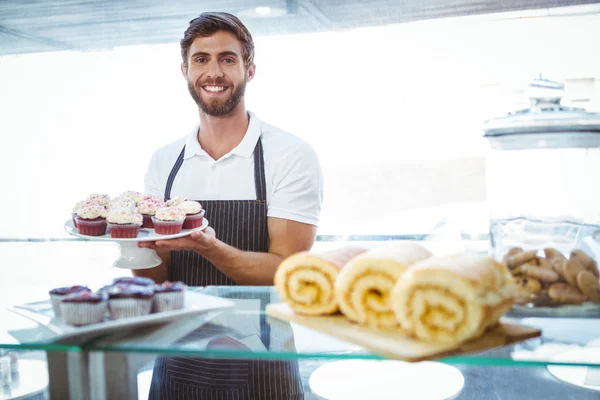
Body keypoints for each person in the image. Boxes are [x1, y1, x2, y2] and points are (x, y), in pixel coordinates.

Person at [134, 11, 323, 399]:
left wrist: (207, 246)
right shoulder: (164, 161)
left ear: (250, 70)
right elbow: (158, 279)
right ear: (185, 71)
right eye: (201, 59)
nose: (213, 72)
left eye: (228, 58)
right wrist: (132, 249)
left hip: (263, 365)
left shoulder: (289, 154)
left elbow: (285, 271)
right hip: (177, 361)